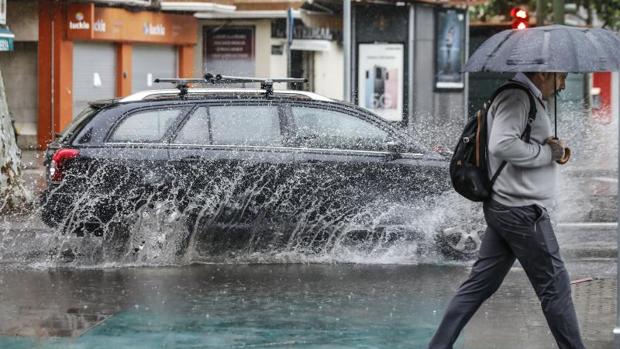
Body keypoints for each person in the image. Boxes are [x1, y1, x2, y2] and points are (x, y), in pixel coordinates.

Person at [428, 72, 586, 349]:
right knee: (556, 288)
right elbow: (502, 145)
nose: (562, 84)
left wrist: (552, 149)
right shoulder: (516, 97)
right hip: (522, 211)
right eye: (561, 77)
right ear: (542, 73)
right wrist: (548, 154)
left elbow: (516, 143)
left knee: (480, 285)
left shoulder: (524, 98)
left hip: (508, 208)